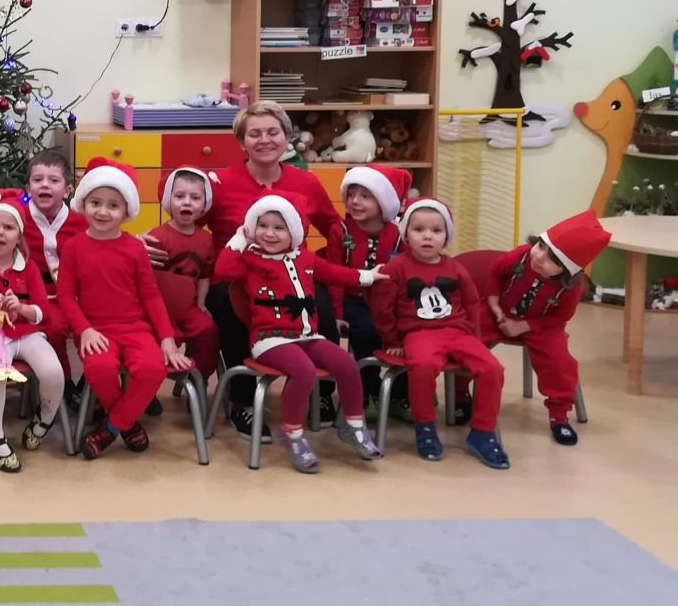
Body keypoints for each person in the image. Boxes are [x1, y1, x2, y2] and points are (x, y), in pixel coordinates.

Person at [150, 102, 343, 439]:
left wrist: (329, 266)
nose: (264, 140)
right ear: (241, 142)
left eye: (273, 132)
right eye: (254, 134)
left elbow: (335, 229)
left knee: (322, 307)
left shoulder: (306, 183)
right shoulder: (220, 183)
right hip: (233, 278)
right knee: (234, 307)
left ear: (287, 137)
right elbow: (183, 222)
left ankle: (320, 392)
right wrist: (141, 242)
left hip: (292, 277)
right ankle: (242, 398)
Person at [212, 196, 384, 473]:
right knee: (303, 371)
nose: (269, 233)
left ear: (293, 231)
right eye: (262, 226)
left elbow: (334, 273)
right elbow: (222, 270)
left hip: (307, 336)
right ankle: (292, 435)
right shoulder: (250, 260)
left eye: (279, 228)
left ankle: (353, 426)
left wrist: (368, 276)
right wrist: (241, 237)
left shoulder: (305, 258)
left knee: (347, 364)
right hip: (270, 339)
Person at [56, 158, 184, 460]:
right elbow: (65, 296)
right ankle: (127, 424)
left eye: (113, 206)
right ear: (83, 204)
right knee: (99, 369)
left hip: (136, 329)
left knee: (153, 369)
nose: (103, 212)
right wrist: (85, 330)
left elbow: (151, 296)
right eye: (96, 203)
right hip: (95, 331)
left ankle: (111, 427)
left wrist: (166, 338)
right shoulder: (73, 247)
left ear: (126, 212)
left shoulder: (134, 248)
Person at [369, 198, 509, 469]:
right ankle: (425, 427)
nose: (427, 236)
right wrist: (392, 339)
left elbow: (471, 303)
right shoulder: (396, 268)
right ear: (406, 234)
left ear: (446, 236)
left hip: (458, 332)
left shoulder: (455, 268)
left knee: (492, 368)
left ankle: (482, 432)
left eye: (436, 230)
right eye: (419, 229)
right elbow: (381, 307)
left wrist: (475, 336)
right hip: (419, 333)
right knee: (422, 367)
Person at [0, 190, 66, 472]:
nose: (0, 232)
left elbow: (43, 313)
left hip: (26, 333)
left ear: (19, 236)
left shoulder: (28, 268)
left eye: (8, 227)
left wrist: (23, 308)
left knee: (53, 372)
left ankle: (43, 421)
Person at [482, 209, 610, 446]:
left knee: (559, 363)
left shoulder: (571, 288)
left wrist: (524, 326)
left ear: (568, 271)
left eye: (553, 259)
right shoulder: (522, 256)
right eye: (541, 246)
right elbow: (495, 271)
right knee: (464, 336)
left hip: (541, 325)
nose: (540, 257)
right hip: (498, 311)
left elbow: (560, 318)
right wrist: (494, 302)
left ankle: (559, 416)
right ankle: (459, 394)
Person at [328, 164, 409, 414]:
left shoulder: (399, 234)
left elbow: (408, 275)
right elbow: (334, 274)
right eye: (351, 194)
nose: (355, 202)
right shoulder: (340, 231)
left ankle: (400, 394)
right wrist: (337, 313)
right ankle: (368, 391)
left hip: (391, 301)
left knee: (409, 331)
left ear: (383, 201)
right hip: (355, 299)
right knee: (366, 331)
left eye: (365, 196)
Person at [145, 167, 224, 388]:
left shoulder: (206, 240)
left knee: (209, 331)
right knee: (152, 341)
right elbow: (146, 279)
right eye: (179, 196)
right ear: (168, 201)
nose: (187, 202)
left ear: (204, 204)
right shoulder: (156, 237)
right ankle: (148, 390)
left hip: (189, 307)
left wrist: (201, 304)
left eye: (195, 197)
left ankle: (198, 381)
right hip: (160, 308)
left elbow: (205, 275)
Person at [18, 149, 85, 282]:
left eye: (54, 180)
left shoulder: (82, 224)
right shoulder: (17, 219)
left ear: (67, 191)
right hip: (26, 291)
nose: (45, 185)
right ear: (28, 189)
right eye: (37, 180)